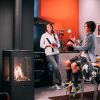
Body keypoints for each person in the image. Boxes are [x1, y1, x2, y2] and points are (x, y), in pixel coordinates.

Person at [64, 21, 96, 94]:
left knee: (73, 65)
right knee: (67, 63)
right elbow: (82, 45)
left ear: (89, 28)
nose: (84, 28)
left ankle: (75, 86)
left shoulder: (91, 36)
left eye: (85, 26)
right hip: (82, 56)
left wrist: (72, 44)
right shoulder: (87, 35)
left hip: (87, 58)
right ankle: (69, 82)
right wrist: (75, 41)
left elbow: (83, 48)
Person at [40, 23, 62, 89]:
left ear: (52, 27)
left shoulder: (55, 35)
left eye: (50, 27)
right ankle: (61, 81)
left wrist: (56, 45)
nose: (49, 28)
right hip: (49, 53)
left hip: (56, 52)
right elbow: (41, 45)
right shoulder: (44, 35)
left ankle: (55, 83)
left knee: (55, 68)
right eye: (47, 27)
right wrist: (48, 45)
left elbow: (59, 44)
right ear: (46, 28)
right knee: (56, 67)